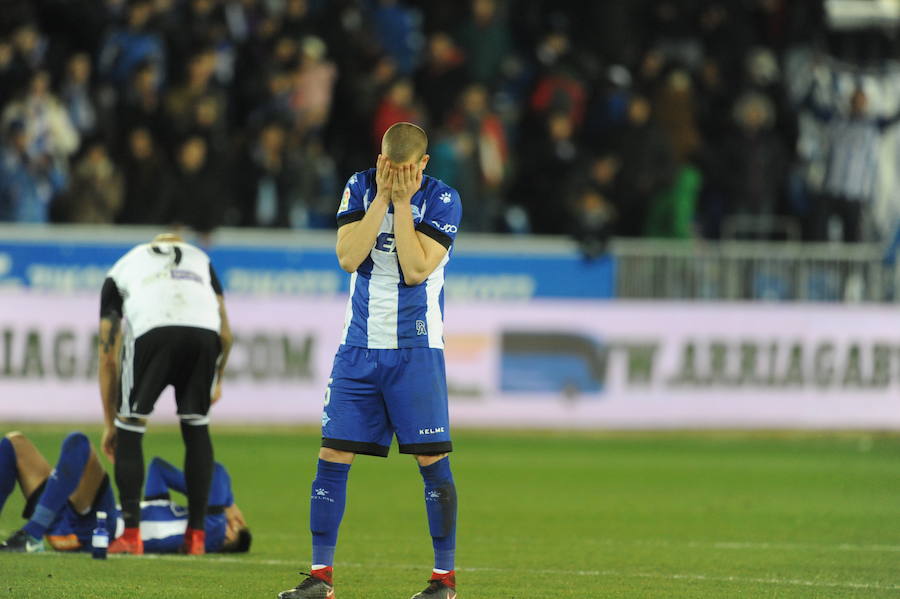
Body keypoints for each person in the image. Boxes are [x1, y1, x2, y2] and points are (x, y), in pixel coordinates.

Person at [277, 122, 462, 599]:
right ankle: (321, 577)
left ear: (422, 165)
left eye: (404, 171)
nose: (394, 176)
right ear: (379, 159)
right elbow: (347, 257)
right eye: (388, 167)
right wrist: (381, 198)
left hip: (416, 348)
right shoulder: (360, 187)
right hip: (357, 347)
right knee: (331, 453)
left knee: (430, 457)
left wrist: (402, 204)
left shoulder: (443, 200)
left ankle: (444, 579)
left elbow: (416, 268)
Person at [98, 232, 233, 555]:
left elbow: (107, 354)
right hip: (204, 335)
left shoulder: (121, 269)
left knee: (131, 428)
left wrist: (110, 423)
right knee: (196, 426)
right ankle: (197, 537)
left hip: (151, 331)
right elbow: (226, 333)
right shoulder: (201, 259)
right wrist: (218, 378)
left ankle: (131, 535)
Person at [0, 431, 251, 554]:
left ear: (230, 536)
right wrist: (200, 496)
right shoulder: (175, 513)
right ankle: (37, 531)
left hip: (101, 528)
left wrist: (228, 504)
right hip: (69, 518)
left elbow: (216, 472)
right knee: (14, 443)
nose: (235, 521)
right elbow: (158, 468)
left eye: (237, 525)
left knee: (79, 443)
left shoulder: (215, 530)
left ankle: (32, 535)